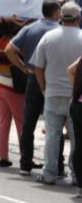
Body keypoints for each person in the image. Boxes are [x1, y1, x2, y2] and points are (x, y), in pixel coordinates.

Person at [4, 0, 62, 176]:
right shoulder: (59, 31)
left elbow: (8, 50)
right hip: (53, 81)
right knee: (55, 125)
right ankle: (57, 165)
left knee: (28, 124)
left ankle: (25, 164)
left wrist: (23, 67)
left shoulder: (29, 28)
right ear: (55, 13)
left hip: (32, 80)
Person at [31, 1, 82, 185]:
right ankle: (77, 176)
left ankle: (49, 173)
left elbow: (38, 67)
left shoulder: (48, 37)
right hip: (76, 97)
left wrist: (43, 87)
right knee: (77, 139)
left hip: (52, 93)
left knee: (52, 136)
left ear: (61, 17)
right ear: (78, 18)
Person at [68, 57, 82, 198]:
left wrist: (76, 91)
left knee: (79, 147)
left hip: (77, 105)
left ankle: (80, 185)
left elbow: (70, 70)